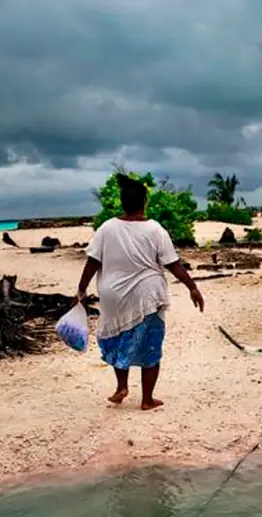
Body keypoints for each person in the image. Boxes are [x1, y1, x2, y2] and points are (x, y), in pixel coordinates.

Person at [75, 173, 205, 410]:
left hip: (113, 296)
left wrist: (81, 289)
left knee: (117, 338)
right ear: (144, 202)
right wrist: (192, 287)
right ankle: (147, 400)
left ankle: (121, 387)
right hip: (147, 296)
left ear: (123, 202)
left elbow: (92, 262)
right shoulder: (155, 229)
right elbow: (173, 264)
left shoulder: (106, 228)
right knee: (150, 346)